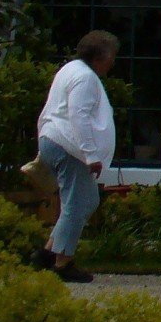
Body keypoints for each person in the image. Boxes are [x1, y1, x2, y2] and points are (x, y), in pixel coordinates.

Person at [25, 30, 120, 283]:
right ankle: (63, 262)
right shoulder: (85, 78)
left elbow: (55, 110)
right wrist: (90, 154)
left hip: (55, 141)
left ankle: (47, 253)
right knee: (78, 202)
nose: (113, 62)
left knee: (85, 200)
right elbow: (78, 115)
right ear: (102, 56)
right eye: (112, 56)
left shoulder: (70, 70)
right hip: (68, 147)